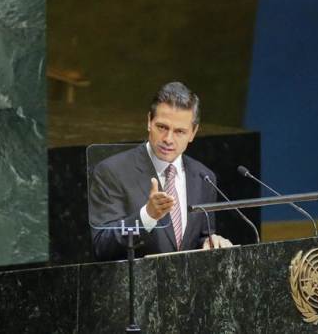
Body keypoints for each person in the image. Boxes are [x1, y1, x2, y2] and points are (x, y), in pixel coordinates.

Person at [89, 81, 232, 261]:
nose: (168, 139)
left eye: (179, 131)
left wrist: (210, 243)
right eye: (162, 127)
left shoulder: (203, 177)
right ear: (149, 121)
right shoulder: (112, 172)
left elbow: (198, 239)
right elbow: (102, 245)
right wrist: (146, 216)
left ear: (193, 133)